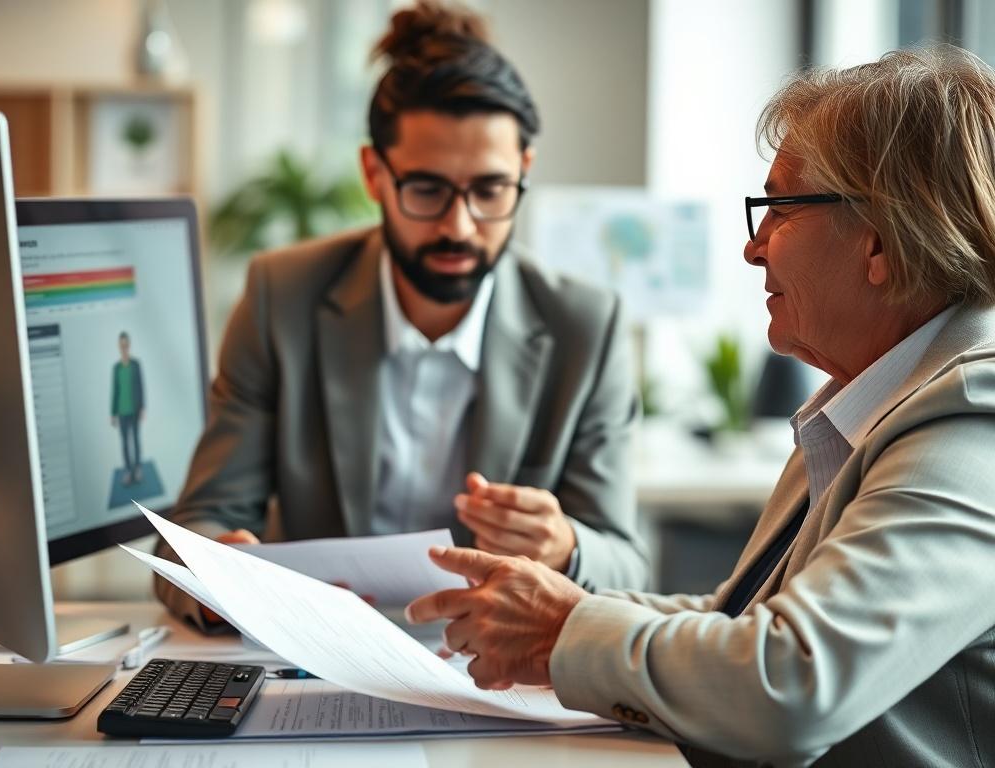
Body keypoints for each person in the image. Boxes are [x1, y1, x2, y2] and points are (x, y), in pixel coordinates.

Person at [407, 45, 995, 767]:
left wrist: (563, 628)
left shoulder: (973, 422)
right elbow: (737, 625)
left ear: (881, 241)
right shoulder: (865, 403)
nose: (753, 249)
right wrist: (552, 619)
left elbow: (792, 686)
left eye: (778, 209)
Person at [156, 1, 649, 629]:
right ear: (374, 174)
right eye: (427, 189)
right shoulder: (283, 297)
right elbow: (187, 534)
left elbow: (630, 566)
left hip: (500, 666)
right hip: (323, 660)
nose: (459, 226)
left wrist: (567, 548)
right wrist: (220, 573)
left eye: (490, 191)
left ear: (524, 171)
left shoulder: (586, 326)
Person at [111, 331, 145, 485]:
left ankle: (137, 469)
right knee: (124, 442)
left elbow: (141, 386)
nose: (124, 347)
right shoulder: (116, 368)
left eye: (126, 344)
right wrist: (113, 413)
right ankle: (127, 470)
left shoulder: (136, 365)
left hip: (135, 410)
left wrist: (143, 407)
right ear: (119, 346)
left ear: (129, 345)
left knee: (136, 440)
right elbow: (115, 391)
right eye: (121, 345)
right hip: (122, 411)